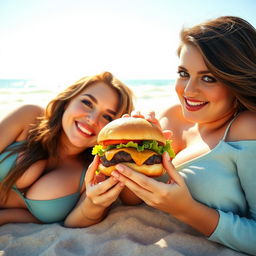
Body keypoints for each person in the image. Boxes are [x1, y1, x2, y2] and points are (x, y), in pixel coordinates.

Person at [109, 16, 256, 255]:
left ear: (236, 80)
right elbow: (132, 200)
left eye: (208, 78)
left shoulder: (247, 127)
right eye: (183, 73)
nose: (188, 91)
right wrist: (139, 152)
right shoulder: (172, 117)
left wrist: (185, 209)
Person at [0, 71, 137, 227]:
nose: (92, 119)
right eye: (87, 103)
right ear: (68, 101)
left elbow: (72, 222)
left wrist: (94, 204)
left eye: (107, 117)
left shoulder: (97, 170)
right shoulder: (28, 118)